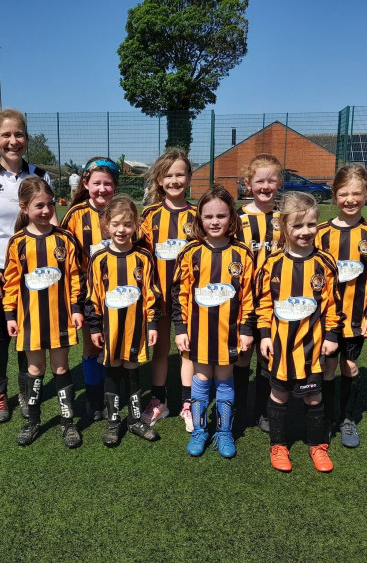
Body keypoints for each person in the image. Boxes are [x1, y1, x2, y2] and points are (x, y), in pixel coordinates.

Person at [0, 108, 55, 423]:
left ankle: (26, 392)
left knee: (27, 334)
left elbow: (50, 222)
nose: (13, 141)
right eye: (6, 135)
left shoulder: (39, 176)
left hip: (32, 272)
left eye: (18, 135)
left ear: (26, 139)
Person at [255, 191, 344, 473]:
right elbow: (264, 304)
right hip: (281, 346)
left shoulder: (325, 263)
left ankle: (317, 445)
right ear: (283, 226)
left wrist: (331, 335)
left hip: (313, 347)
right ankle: (278, 445)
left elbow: (332, 305)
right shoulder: (271, 265)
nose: (305, 231)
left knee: (314, 396)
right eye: (297, 225)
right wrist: (265, 334)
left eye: (311, 224)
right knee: (279, 395)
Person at [172, 185, 254, 459]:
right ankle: (199, 430)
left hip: (229, 334)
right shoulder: (190, 253)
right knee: (201, 378)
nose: (215, 221)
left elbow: (249, 296)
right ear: (199, 220)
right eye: (208, 217)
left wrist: (245, 330)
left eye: (221, 216)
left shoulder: (242, 255)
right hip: (198, 334)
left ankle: (224, 432)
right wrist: (181, 329)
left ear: (232, 218)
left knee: (225, 379)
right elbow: (179, 295)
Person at [3, 176, 85, 448]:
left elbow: (74, 277)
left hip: (61, 318)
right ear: (24, 207)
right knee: (35, 369)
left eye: (50, 204)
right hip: (30, 321)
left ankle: (67, 423)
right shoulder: (18, 243)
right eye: (39, 205)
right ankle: (32, 421)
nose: (47, 210)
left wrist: (75, 309)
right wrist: (10, 316)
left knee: (61, 367)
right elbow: (12, 283)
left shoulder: (65, 240)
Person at [315, 164, 367, 448]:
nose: (350, 199)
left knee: (348, 365)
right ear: (334, 195)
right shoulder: (320, 233)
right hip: (324, 318)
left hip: (356, 317)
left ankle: (346, 419)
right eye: (343, 193)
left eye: (356, 193)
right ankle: (324, 417)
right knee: (326, 366)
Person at [86, 194, 161, 446]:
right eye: (116, 224)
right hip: (110, 329)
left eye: (127, 224)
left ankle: (136, 420)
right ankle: (113, 421)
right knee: (113, 369)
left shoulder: (143, 257)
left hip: (135, 329)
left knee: (132, 371)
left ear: (136, 225)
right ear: (106, 224)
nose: (121, 230)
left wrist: (151, 323)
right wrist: (95, 326)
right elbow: (93, 296)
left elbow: (151, 293)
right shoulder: (99, 259)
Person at [139, 149, 197, 431]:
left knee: (187, 351)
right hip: (159, 297)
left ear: (188, 178)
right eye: (168, 175)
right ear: (159, 180)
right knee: (160, 350)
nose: (175, 180)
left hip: (191, 300)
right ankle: (159, 401)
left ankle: (188, 404)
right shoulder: (149, 215)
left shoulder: (198, 214)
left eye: (180, 174)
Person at [60, 157, 119, 421]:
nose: (102, 189)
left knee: (116, 344)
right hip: (88, 295)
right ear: (86, 183)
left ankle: (114, 395)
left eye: (108, 184)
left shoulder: (123, 212)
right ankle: (95, 400)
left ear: (115, 186)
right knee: (92, 345)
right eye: (97, 183)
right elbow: (65, 255)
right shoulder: (76, 214)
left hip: (120, 294)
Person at [234, 154, 283, 432]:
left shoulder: (285, 218)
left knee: (269, 354)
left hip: (275, 300)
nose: (265, 186)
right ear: (248, 184)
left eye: (271, 180)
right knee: (242, 353)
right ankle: (240, 408)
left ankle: (264, 410)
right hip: (244, 298)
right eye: (259, 181)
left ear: (279, 183)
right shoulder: (238, 218)